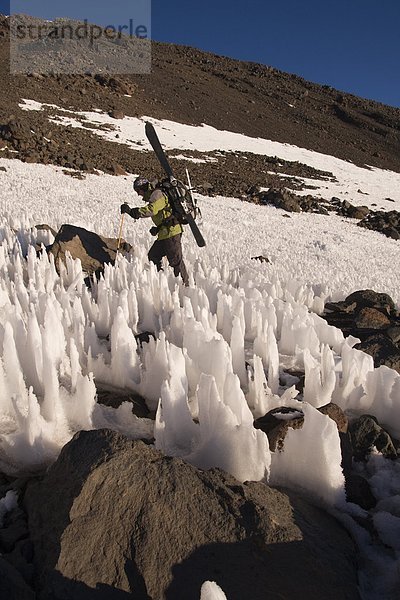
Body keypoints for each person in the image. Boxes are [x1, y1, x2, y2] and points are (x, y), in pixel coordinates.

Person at [121, 176, 189, 286]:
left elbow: (152, 210)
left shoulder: (157, 194)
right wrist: (158, 228)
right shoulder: (154, 195)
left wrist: (133, 212)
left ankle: (185, 288)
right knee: (153, 256)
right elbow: (164, 214)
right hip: (164, 233)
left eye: (138, 191)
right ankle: (161, 281)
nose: (138, 194)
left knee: (176, 262)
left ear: (144, 187)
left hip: (171, 233)